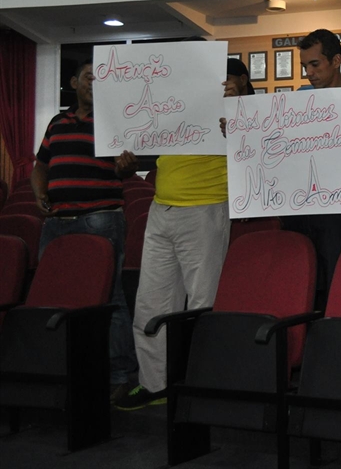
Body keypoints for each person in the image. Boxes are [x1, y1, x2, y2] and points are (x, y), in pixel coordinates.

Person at [114, 57, 245, 410]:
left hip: (206, 208)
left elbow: (251, 145)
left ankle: (203, 385)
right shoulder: (176, 100)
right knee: (150, 303)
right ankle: (154, 384)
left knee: (203, 304)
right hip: (162, 208)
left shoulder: (235, 104)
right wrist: (126, 158)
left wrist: (237, 105)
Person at [31, 60, 139, 402]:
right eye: (89, 77)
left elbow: (125, 169)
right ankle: (56, 369)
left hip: (100, 218)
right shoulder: (56, 123)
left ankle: (119, 375)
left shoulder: (114, 120)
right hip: (56, 221)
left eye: (101, 78)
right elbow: (41, 166)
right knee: (52, 294)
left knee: (110, 296)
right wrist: (39, 192)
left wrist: (127, 168)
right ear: (74, 82)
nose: (95, 82)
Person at [282, 29, 341, 309]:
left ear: (336, 60)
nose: (309, 73)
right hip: (297, 208)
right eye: (305, 66)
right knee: (298, 285)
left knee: (335, 285)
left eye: (315, 64)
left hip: (339, 211)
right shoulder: (298, 99)